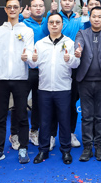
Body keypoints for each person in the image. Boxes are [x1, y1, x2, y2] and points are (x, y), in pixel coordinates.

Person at [0, 0, 34, 165]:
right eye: (9, 7)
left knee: (22, 116)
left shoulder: (27, 31)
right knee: (0, 116)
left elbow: (31, 54)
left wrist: (28, 57)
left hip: (20, 79)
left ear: (20, 10)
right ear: (5, 10)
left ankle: (23, 148)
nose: (12, 10)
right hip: (2, 80)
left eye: (15, 7)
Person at [25, 12, 79, 165]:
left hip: (63, 88)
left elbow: (76, 64)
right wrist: (31, 60)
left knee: (64, 121)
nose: (54, 25)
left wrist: (71, 59)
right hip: (44, 88)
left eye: (57, 22)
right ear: (47, 25)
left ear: (62, 25)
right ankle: (43, 150)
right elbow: (34, 64)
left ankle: (66, 151)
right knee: (45, 121)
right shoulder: (40, 43)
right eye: (51, 22)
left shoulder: (69, 42)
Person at [74, 6, 101, 162]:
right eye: (94, 16)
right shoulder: (82, 33)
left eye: (100, 16)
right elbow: (78, 45)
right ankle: (87, 147)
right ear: (90, 18)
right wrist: (77, 51)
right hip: (84, 81)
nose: (97, 19)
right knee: (86, 116)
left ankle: (99, 146)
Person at [48, 0, 84, 150]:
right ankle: (51, 135)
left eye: (70, 0)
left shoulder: (79, 19)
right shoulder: (53, 18)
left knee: (71, 103)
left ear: (74, 3)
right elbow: (45, 31)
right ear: (60, 2)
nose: (67, 2)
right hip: (55, 65)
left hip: (74, 65)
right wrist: (51, 12)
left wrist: (86, 16)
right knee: (52, 103)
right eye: (65, 0)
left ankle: (70, 133)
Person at [10, 0, 47, 149]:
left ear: (44, 8)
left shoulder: (49, 23)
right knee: (20, 103)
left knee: (38, 104)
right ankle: (15, 134)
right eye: (34, 6)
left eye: (41, 6)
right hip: (24, 70)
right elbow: (9, 26)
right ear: (29, 8)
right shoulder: (22, 23)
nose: (38, 8)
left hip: (42, 70)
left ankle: (34, 131)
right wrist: (20, 16)